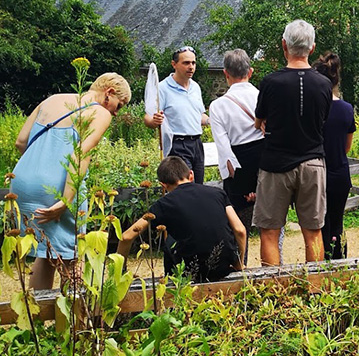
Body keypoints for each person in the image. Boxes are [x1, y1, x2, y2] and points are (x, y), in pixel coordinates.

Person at [11, 72, 131, 290]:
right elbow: (80, 155)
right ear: (109, 93)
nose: (116, 111)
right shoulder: (100, 112)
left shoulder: (51, 100)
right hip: (57, 187)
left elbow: (21, 142)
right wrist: (66, 200)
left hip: (22, 182)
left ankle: (38, 322)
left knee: (45, 252)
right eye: (119, 105)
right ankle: (75, 322)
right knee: (71, 257)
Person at [253, 20, 332, 266]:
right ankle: (316, 292)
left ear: (284, 45)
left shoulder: (270, 82)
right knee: (314, 231)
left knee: (269, 231)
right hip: (312, 163)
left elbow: (259, 121)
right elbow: (322, 120)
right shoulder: (324, 84)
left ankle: (273, 292)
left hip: (276, 164)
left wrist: (266, 123)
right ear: (312, 47)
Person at [118, 157, 246, 282]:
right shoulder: (218, 193)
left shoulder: (163, 204)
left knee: (170, 241)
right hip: (223, 267)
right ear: (191, 175)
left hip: (189, 272)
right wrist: (238, 264)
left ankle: (171, 280)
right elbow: (240, 230)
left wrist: (120, 272)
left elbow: (126, 237)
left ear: (163, 185)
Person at [208, 49, 264, 241]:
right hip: (266, 163)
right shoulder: (262, 96)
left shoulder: (218, 106)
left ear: (225, 73)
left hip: (238, 165)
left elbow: (223, 147)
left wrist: (239, 183)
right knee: (273, 225)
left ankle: (241, 264)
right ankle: (276, 264)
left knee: (238, 227)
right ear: (251, 71)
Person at [144, 46, 210, 183]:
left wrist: (212, 120)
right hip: (177, 144)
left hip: (197, 144)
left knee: (198, 185)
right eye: (186, 63)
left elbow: (199, 116)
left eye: (193, 63)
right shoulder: (162, 88)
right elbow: (147, 118)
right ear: (174, 64)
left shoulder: (195, 87)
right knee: (185, 187)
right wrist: (154, 121)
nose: (191, 67)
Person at [313, 52, 356, 260]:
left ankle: (319, 266)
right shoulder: (346, 109)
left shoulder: (314, 110)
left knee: (318, 224)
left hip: (317, 171)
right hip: (340, 171)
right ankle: (340, 264)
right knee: (337, 224)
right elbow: (347, 146)